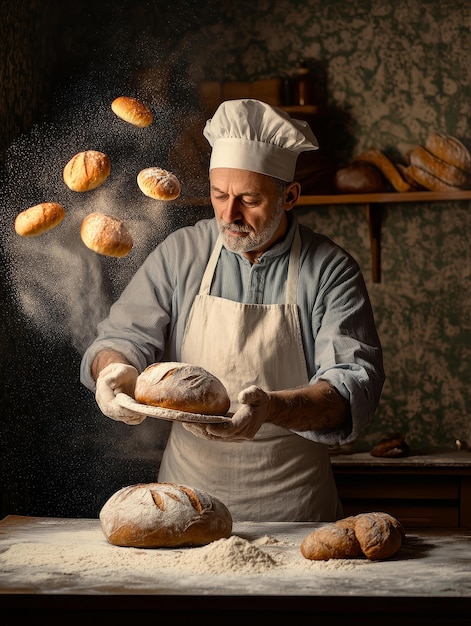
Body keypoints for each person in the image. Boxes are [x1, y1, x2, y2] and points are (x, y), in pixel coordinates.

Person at [80, 98, 385, 522]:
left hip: (294, 509)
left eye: (249, 200)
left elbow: (352, 385)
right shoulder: (181, 253)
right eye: (219, 194)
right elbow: (120, 339)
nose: (229, 214)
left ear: (290, 195)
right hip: (185, 502)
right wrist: (113, 368)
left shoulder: (330, 270)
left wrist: (270, 408)